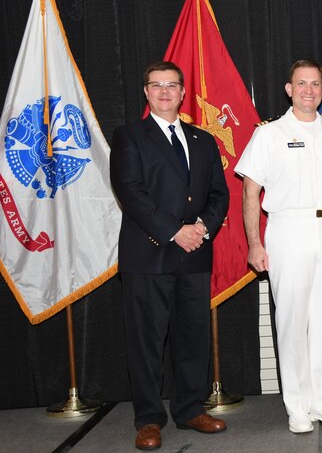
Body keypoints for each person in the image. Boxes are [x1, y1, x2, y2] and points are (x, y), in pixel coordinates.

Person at [235, 59, 322, 434]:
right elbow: (250, 190)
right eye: (301, 83)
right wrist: (255, 244)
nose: (309, 90)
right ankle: (297, 406)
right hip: (287, 229)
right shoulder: (269, 134)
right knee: (291, 322)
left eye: (315, 84)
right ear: (289, 89)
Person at [110, 61, 229, 451]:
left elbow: (218, 194)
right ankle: (148, 419)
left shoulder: (203, 140)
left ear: (182, 92)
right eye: (156, 85)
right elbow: (131, 192)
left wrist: (203, 229)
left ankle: (190, 408)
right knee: (146, 342)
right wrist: (175, 231)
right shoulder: (129, 136)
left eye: (172, 85)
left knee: (193, 337)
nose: (164, 91)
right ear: (145, 92)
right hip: (149, 255)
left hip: (195, 254)